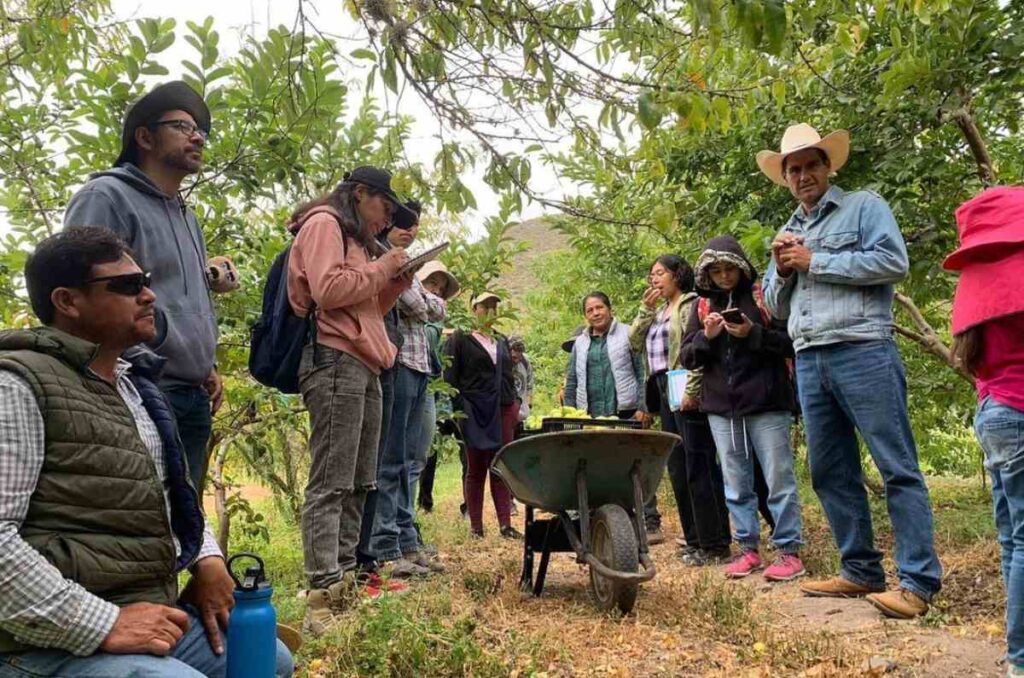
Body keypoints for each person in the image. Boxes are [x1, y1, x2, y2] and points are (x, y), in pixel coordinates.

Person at [0, 228, 292, 677]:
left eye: (147, 280)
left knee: (266, 658)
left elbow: (167, 496)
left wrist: (206, 559)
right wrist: (104, 624)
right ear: (67, 301)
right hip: (40, 641)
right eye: (128, 286)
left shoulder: (137, 388)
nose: (150, 296)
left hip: (143, 613)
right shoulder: (17, 385)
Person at [760, 123, 941, 617]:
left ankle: (918, 583)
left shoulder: (864, 206)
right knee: (830, 471)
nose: (801, 176)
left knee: (896, 465)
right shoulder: (785, 233)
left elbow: (891, 262)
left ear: (827, 167)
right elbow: (774, 309)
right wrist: (780, 269)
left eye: (810, 166)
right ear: (786, 178)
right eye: (792, 170)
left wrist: (814, 260)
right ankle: (860, 570)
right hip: (811, 357)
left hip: (864, 349)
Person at [63, 81, 224, 493]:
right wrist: (138, 363)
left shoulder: (187, 216)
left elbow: (186, 297)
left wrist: (207, 363)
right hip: (140, 385)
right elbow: (84, 294)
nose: (197, 137)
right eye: (182, 127)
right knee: (139, 516)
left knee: (185, 521)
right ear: (145, 137)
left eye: (200, 131)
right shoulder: (107, 196)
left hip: (192, 391)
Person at [286, 167, 414, 636]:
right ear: (360, 195)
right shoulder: (324, 224)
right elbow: (328, 290)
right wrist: (382, 266)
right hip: (333, 360)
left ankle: (343, 586)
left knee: (360, 480)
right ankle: (321, 597)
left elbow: (363, 308)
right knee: (331, 479)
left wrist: (394, 282)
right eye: (384, 207)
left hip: (365, 362)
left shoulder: (357, 242)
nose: (387, 219)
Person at [681, 236, 805, 581]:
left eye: (729, 269)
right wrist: (707, 336)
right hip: (721, 406)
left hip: (767, 401)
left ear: (741, 267)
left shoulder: (764, 296)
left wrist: (752, 333)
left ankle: (789, 551)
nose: (723, 276)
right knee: (735, 482)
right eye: (716, 271)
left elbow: (791, 342)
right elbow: (687, 355)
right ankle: (748, 549)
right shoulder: (702, 307)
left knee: (778, 478)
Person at [946, 186, 1024, 676]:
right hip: (1019, 408)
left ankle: (1016, 652)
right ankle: (1020, 657)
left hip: (993, 414)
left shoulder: (976, 284)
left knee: (1011, 539)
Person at [629, 255, 731, 561]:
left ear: (677, 275)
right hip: (662, 389)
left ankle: (715, 543)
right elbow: (634, 343)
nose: (654, 280)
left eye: (660, 273)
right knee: (677, 466)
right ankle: (695, 539)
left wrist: (692, 389)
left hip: (686, 386)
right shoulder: (658, 311)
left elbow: (700, 350)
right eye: (652, 276)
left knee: (698, 463)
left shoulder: (692, 304)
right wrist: (644, 310)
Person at [370, 201, 446, 576]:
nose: (410, 230)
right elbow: (419, 306)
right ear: (386, 225)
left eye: (415, 225)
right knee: (391, 459)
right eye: (402, 223)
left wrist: (429, 301)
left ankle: (405, 539)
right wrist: (429, 301)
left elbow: (436, 307)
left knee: (409, 459)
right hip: (396, 363)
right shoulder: (386, 259)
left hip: (419, 366)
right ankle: (386, 545)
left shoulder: (408, 265)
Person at [444, 292, 522, 539]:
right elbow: (450, 378)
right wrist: (460, 409)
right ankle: (476, 527)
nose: (489, 310)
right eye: (484, 305)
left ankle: (505, 525)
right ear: (473, 308)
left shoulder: (501, 340)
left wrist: (515, 404)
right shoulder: (460, 338)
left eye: (493, 306)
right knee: (476, 467)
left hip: (502, 409)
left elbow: (510, 376)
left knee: (499, 466)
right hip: (474, 410)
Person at [412, 262, 461, 515]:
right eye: (432, 283)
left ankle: (410, 520)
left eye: (440, 289)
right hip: (409, 384)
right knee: (413, 458)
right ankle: (421, 506)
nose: (436, 291)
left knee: (420, 455)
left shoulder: (438, 327)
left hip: (434, 392)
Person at [564, 292, 647, 421]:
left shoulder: (628, 333)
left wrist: (643, 407)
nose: (595, 313)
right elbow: (572, 381)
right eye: (589, 310)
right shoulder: (580, 343)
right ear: (586, 316)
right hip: (589, 416)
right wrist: (568, 413)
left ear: (610, 309)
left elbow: (642, 372)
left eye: (599, 307)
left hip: (628, 413)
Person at [508, 336, 535, 423]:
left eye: (519, 357)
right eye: (514, 358)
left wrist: (529, 403)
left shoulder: (525, 361)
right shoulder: (503, 362)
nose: (517, 361)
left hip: (523, 414)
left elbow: (530, 385)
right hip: (508, 413)